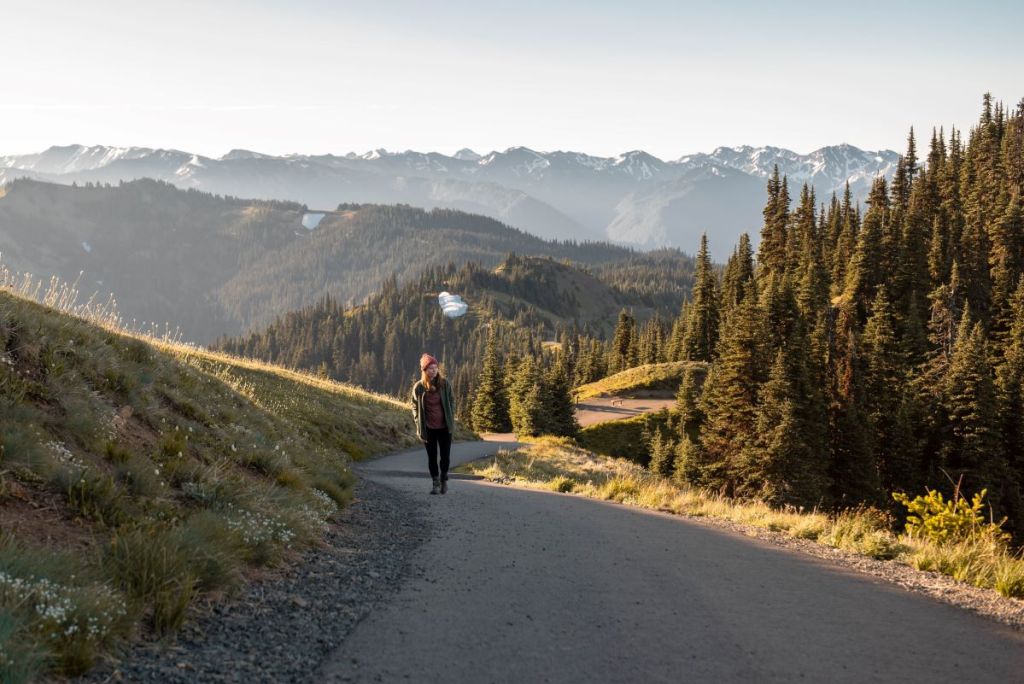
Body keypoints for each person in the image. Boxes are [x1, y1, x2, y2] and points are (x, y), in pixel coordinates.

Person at [411, 353, 456, 494]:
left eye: (436, 367)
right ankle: (435, 482)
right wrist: (418, 420)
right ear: (424, 370)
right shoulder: (419, 387)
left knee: (445, 457)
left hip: (444, 427)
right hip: (428, 428)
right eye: (430, 368)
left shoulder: (444, 384)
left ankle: (444, 478)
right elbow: (414, 406)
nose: (434, 370)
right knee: (432, 457)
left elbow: (452, 400)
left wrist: (450, 414)